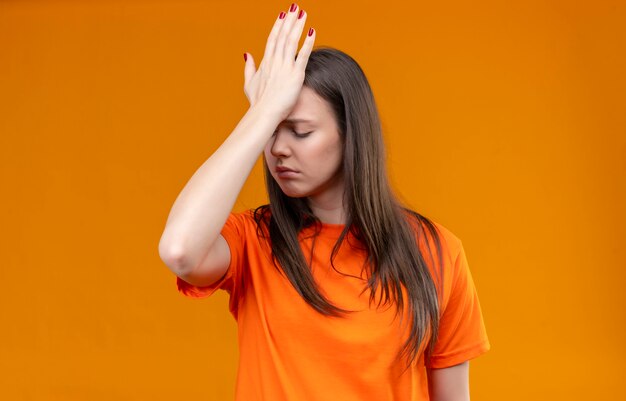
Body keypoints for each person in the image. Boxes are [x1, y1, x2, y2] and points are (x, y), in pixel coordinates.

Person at [158, 3, 490, 400]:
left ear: (351, 135)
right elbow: (179, 250)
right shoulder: (254, 242)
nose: (278, 148)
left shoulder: (437, 253)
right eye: (271, 131)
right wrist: (260, 113)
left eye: (299, 132)